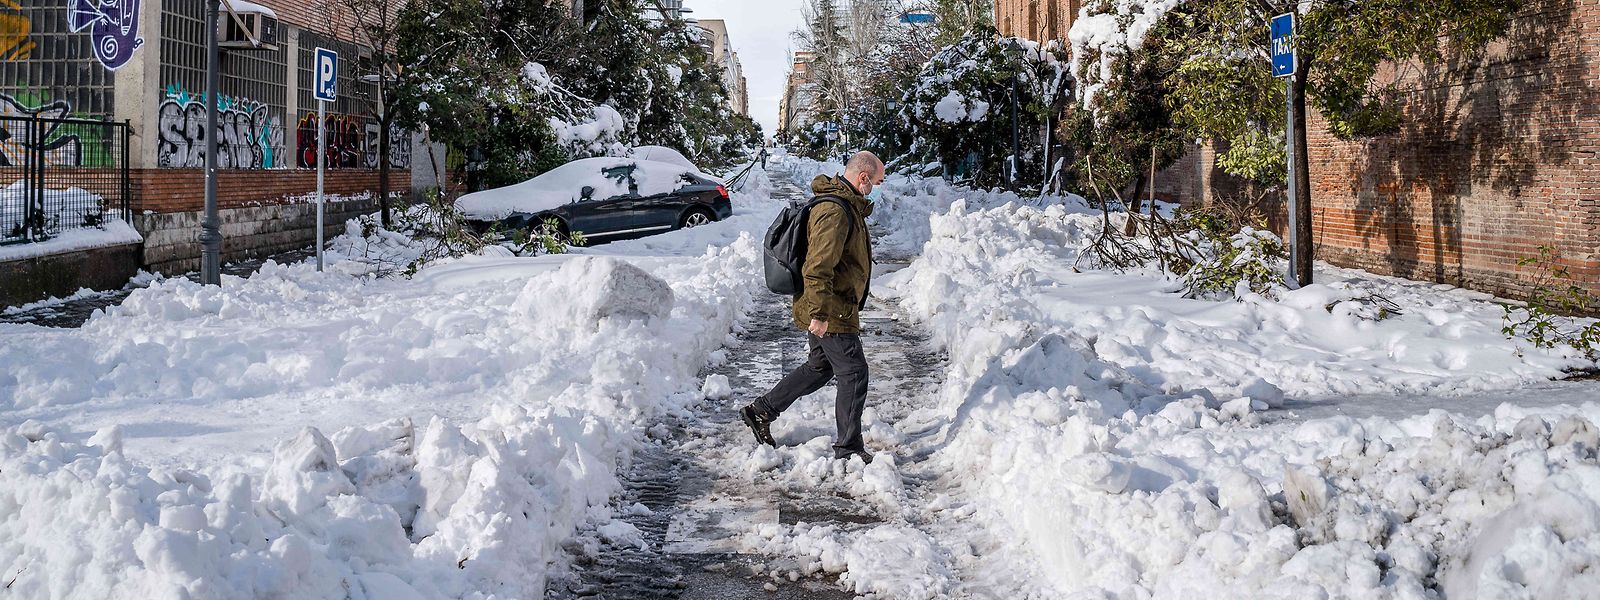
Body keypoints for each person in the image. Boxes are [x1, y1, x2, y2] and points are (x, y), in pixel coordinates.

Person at [741, 151, 885, 464]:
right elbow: (818, 267)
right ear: (863, 177)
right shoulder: (835, 211)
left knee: (821, 367)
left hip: (832, 303)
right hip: (831, 306)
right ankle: (849, 448)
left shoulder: (844, 205)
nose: (876, 187)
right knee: (855, 373)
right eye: (876, 181)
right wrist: (819, 314)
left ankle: (761, 410)